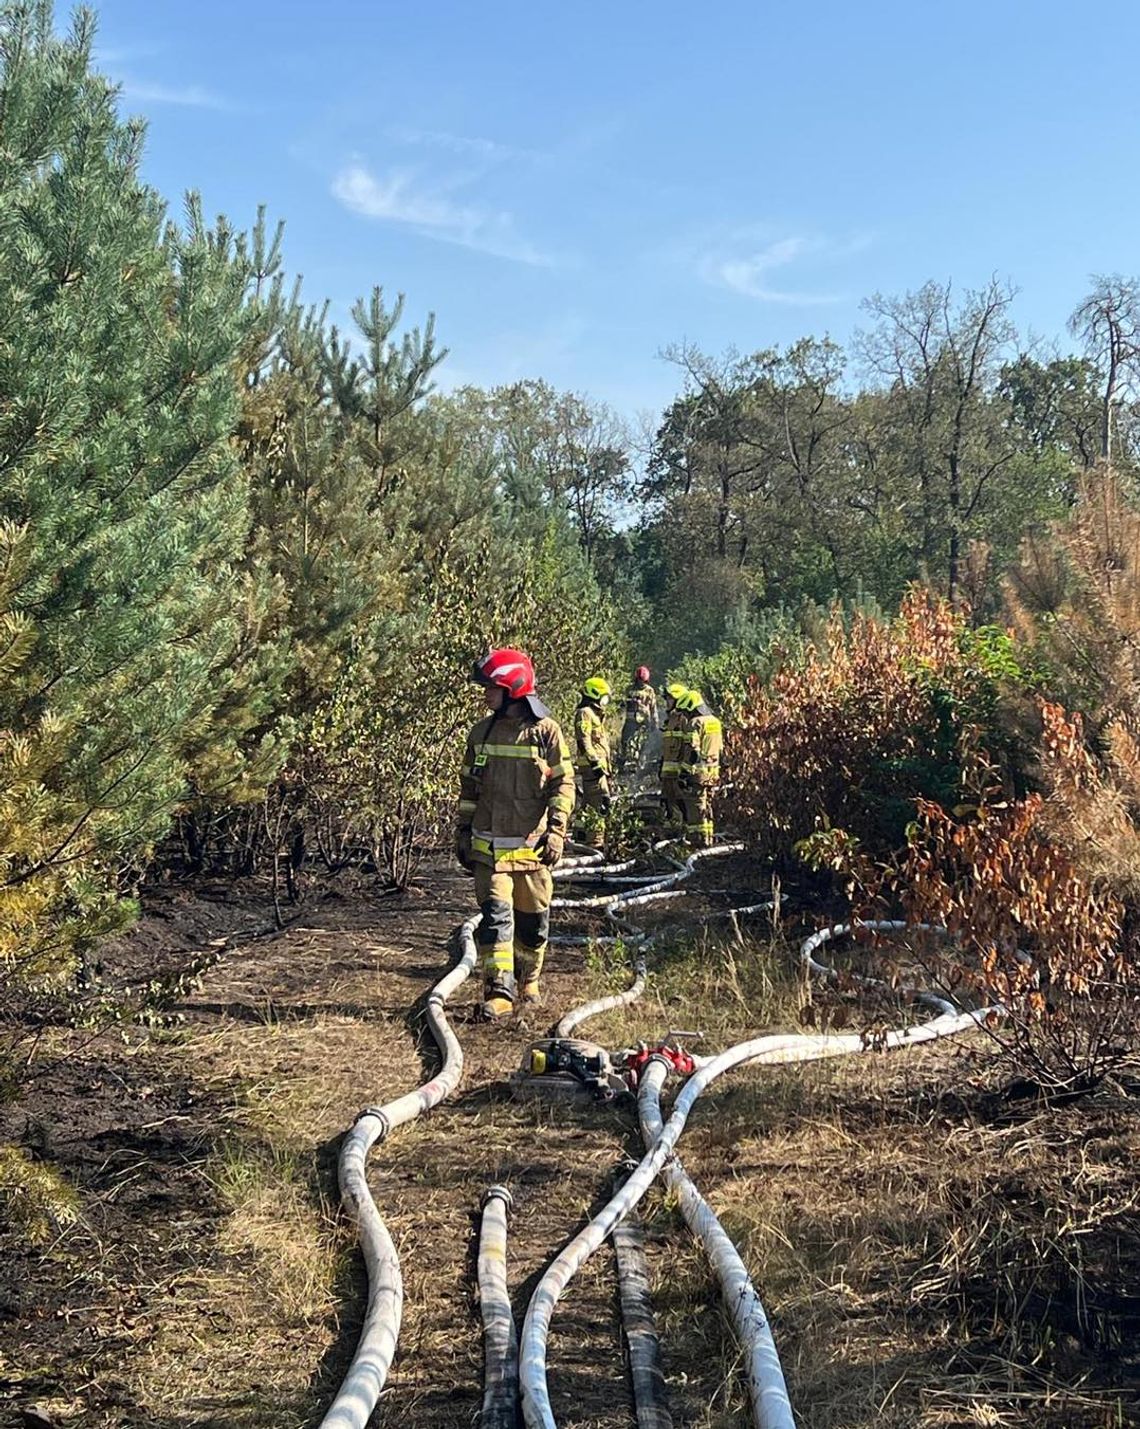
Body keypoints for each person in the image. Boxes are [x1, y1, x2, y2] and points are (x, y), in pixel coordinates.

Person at [456, 648, 576, 1019]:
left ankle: (528, 981)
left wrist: (556, 831)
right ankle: (499, 992)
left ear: (513, 689)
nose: (485, 694)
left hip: (533, 850)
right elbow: (469, 789)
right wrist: (463, 831)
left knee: (533, 923)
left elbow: (563, 783)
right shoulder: (481, 733)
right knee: (496, 920)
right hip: (489, 848)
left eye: (492, 688)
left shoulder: (546, 732)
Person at [672, 688, 723, 847]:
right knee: (708, 807)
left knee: (695, 809)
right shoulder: (715, 722)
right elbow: (720, 749)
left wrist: (684, 773)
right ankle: (709, 839)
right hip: (713, 772)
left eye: (685, 712)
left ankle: (697, 842)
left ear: (692, 709)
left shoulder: (695, 723)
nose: (685, 716)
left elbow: (693, 751)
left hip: (698, 775)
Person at [574, 676, 613, 849]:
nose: (605, 700)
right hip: (593, 768)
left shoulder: (594, 714)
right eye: (604, 696)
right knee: (600, 802)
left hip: (598, 767)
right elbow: (584, 741)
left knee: (589, 802)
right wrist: (595, 763)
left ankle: (581, 837)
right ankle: (595, 842)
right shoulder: (585, 713)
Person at [658, 682, 691, 834]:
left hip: (679, 772)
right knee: (667, 800)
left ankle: (685, 828)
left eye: (670, 699)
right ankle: (670, 830)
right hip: (668, 772)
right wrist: (661, 765)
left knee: (681, 801)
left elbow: (688, 746)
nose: (667, 702)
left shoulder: (684, 719)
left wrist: (685, 770)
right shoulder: (669, 719)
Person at [618, 665, 658, 774]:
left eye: (643, 681)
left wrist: (655, 723)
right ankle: (625, 761)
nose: (641, 683)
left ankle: (640, 763)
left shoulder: (649, 691)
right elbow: (622, 704)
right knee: (625, 740)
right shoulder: (629, 689)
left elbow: (653, 708)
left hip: (644, 722)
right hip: (630, 721)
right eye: (639, 680)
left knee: (642, 742)